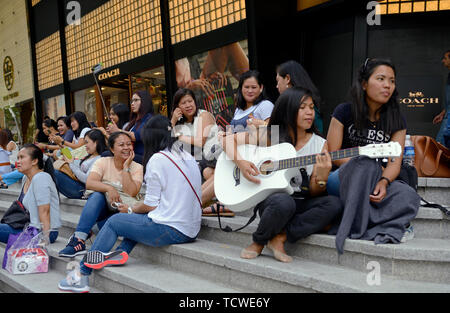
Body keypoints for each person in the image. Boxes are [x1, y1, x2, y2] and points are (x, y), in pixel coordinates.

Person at [58, 115, 201, 293]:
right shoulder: (186, 154)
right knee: (133, 219)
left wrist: (131, 209)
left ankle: (80, 275)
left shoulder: (157, 159)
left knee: (114, 221)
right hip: (192, 228)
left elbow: (150, 206)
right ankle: (122, 252)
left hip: (173, 229)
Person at [220, 87, 342, 263]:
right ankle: (259, 241)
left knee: (334, 204)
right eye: (303, 107)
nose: (309, 112)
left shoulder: (320, 144)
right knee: (284, 202)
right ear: (288, 109)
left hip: (301, 201)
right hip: (274, 201)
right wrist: (242, 163)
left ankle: (281, 235)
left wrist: (322, 179)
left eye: (311, 107)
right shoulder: (271, 135)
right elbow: (227, 140)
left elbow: (314, 192)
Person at [326, 58, 420, 254]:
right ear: (364, 83)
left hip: (377, 180)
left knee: (409, 195)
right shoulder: (344, 111)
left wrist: (384, 181)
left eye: (392, 81)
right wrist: (367, 164)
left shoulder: (396, 119)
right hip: (342, 178)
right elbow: (334, 155)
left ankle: (360, 218)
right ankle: (371, 222)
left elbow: (395, 161)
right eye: (381, 78)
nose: (387, 85)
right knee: (364, 165)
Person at [58, 131, 143, 257]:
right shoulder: (103, 162)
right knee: (96, 195)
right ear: (112, 149)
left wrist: (126, 167)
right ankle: (79, 240)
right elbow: (90, 183)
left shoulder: (137, 167)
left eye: (129, 144)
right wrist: (109, 188)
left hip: (121, 211)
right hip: (104, 206)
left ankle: (91, 231)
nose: (126, 148)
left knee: (113, 221)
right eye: (121, 145)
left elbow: (131, 192)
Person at [170, 88, 232, 216]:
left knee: (212, 173)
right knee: (208, 172)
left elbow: (200, 141)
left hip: (220, 152)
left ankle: (193, 204)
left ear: (195, 101)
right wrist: (173, 121)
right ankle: (195, 201)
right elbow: (167, 141)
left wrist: (179, 136)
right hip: (208, 160)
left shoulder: (204, 115)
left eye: (190, 101)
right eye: (183, 103)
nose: (188, 105)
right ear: (177, 107)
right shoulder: (182, 123)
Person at [0, 144, 61, 244]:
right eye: (17, 158)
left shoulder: (42, 178)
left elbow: (45, 211)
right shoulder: (26, 178)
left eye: (22, 157)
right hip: (27, 226)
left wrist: (44, 239)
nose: (18, 162)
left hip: (44, 231)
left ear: (34, 161)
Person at [54, 129, 108, 199]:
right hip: (76, 183)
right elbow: (72, 158)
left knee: (54, 172)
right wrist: (61, 146)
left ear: (96, 143)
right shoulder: (89, 154)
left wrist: (71, 164)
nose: (85, 145)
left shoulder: (99, 159)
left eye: (87, 142)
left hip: (81, 189)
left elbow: (87, 180)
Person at [276, 60, 324, 134]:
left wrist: (263, 124)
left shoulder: (318, 142)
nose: (309, 112)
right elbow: (273, 140)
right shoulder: (281, 104)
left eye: (278, 80)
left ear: (287, 78)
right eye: (302, 107)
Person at [122, 91, 154, 164]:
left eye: (136, 100)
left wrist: (117, 130)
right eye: (132, 101)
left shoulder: (149, 119)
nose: (132, 103)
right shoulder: (134, 121)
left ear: (144, 101)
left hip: (143, 157)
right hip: (132, 154)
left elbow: (136, 136)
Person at [433, 49, 450, 148]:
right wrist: (443, 113)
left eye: (445, 58)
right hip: (447, 116)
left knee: (440, 147)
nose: (443, 61)